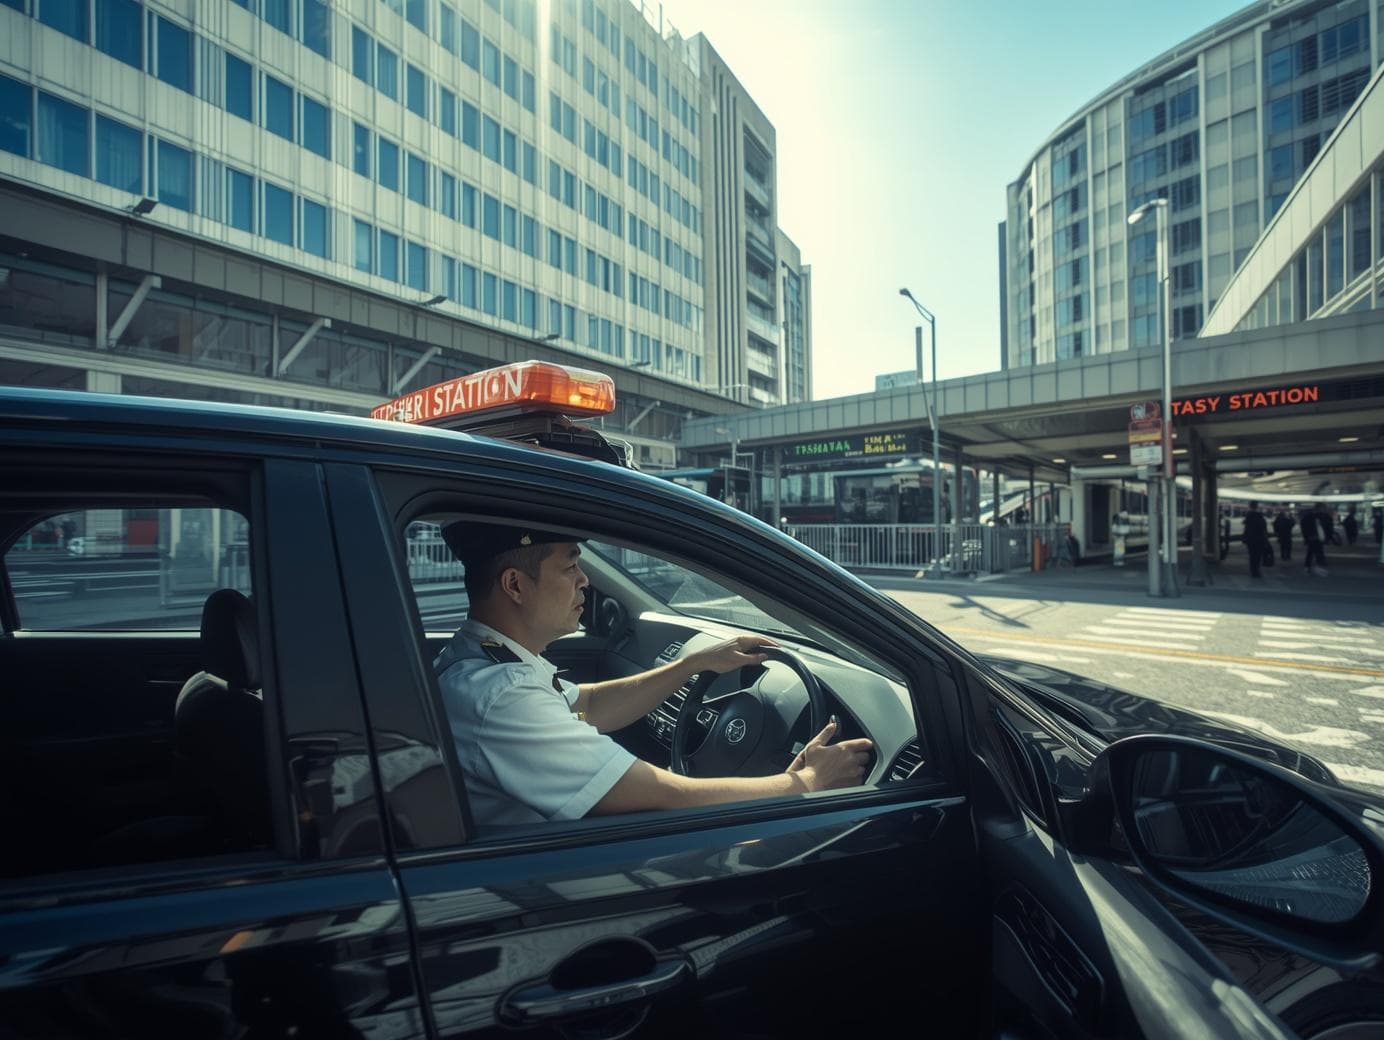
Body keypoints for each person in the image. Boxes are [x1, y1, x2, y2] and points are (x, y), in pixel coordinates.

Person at [432, 522, 873, 827]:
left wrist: (690, 665)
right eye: (570, 567)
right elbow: (668, 796)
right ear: (514, 585)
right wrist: (810, 782)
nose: (584, 581)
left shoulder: (482, 660)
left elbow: (586, 705)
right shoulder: (501, 697)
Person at [1241, 502, 1270, 578]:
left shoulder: (1248, 516)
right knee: (1258, 555)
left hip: (1250, 539)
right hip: (1259, 539)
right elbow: (1264, 529)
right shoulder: (1260, 517)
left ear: (1250, 506)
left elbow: (1246, 528)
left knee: (1252, 555)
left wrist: (1244, 538)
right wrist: (1266, 539)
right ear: (1257, 507)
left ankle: (1253, 570)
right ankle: (1257, 570)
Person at [1299, 504, 1326, 577]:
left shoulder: (1311, 517)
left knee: (1311, 553)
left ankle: (1308, 567)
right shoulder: (1314, 517)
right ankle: (1316, 568)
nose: (1323, 510)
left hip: (1313, 537)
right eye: (1322, 508)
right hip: (1314, 537)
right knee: (1316, 552)